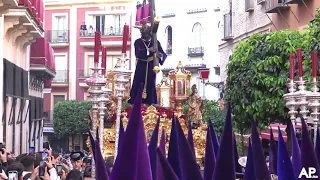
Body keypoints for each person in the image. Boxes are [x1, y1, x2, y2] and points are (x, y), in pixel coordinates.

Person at [128, 22, 167, 105]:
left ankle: (151, 103)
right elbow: (138, 53)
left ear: (150, 33)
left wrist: (160, 56)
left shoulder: (155, 42)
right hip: (141, 66)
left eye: (146, 33)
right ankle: (136, 103)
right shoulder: (138, 42)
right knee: (138, 84)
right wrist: (149, 50)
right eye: (143, 33)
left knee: (151, 85)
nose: (145, 35)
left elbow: (163, 54)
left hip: (151, 67)